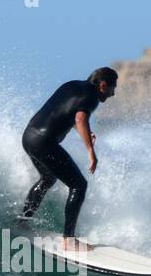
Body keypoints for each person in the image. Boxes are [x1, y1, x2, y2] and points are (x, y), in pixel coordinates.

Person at [17, 66, 117, 251]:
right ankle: (69, 240)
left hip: (29, 136)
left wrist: (86, 131)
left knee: (48, 178)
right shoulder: (92, 97)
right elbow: (80, 119)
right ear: (102, 85)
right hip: (45, 143)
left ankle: (22, 222)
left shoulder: (72, 85)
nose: (113, 94)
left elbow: (62, 113)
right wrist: (91, 152)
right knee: (79, 185)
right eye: (113, 88)